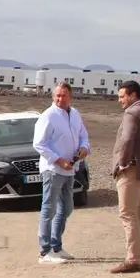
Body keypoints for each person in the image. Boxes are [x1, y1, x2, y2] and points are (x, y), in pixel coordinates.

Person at [32, 81, 91, 265]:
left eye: (63, 95)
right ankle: (45, 251)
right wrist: (59, 160)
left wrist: (83, 148)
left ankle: (57, 246)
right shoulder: (48, 116)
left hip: (70, 169)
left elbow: (83, 136)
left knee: (66, 208)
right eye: (57, 95)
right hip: (53, 170)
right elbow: (39, 144)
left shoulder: (75, 114)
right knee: (48, 208)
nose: (60, 98)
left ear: (70, 97)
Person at [110, 80, 140, 274]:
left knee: (128, 213)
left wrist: (122, 162)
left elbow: (127, 139)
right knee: (136, 213)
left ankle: (133, 259)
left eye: (122, 96)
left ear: (133, 95)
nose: (120, 100)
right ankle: (138, 256)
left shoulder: (132, 113)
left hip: (131, 169)